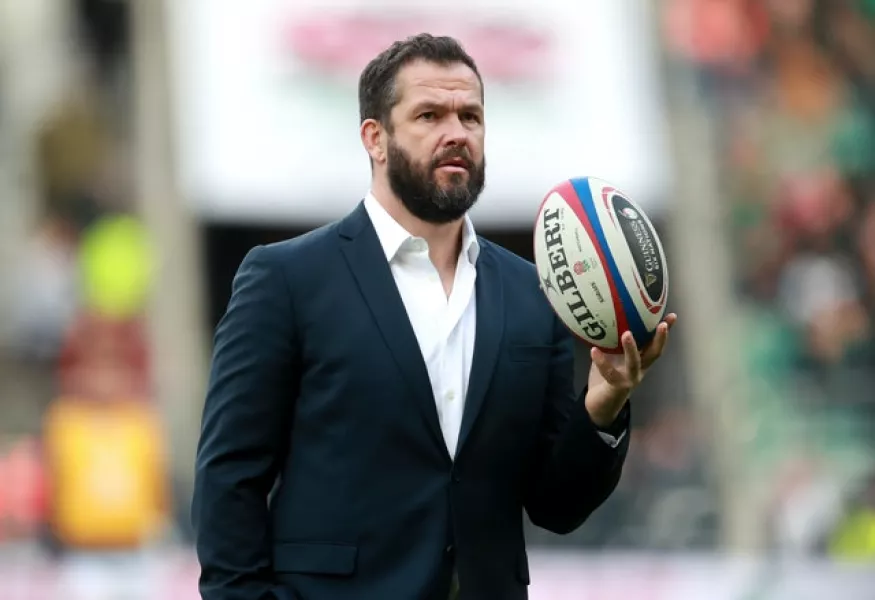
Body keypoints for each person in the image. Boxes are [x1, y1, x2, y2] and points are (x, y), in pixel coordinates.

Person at [191, 33, 677, 600]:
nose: (456, 133)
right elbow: (229, 480)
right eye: (430, 115)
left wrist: (603, 403)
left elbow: (555, 506)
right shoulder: (285, 279)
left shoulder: (533, 294)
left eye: (470, 115)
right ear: (376, 137)